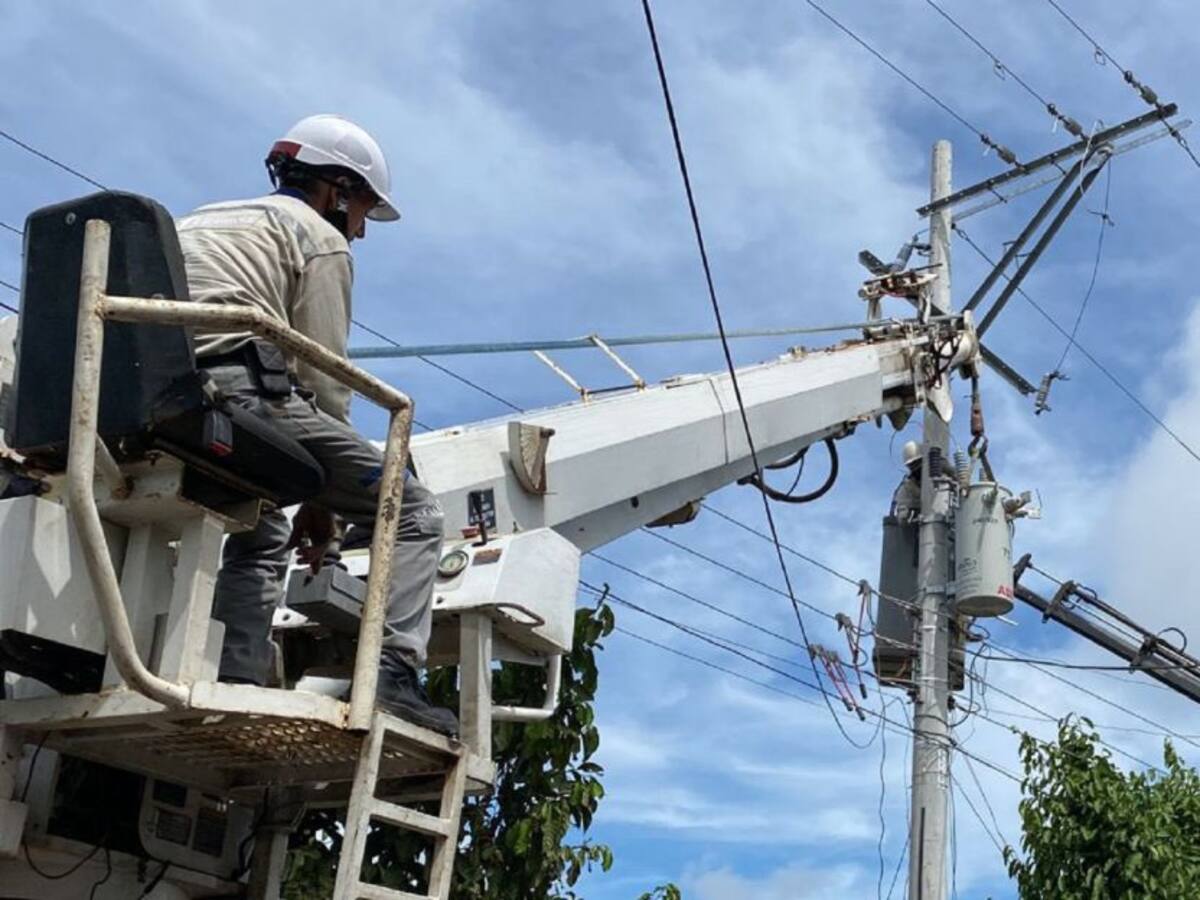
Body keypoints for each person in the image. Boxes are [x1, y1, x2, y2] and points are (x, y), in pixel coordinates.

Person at [176, 114, 457, 734]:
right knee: (410, 511)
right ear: (335, 189)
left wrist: (302, 486)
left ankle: (238, 675)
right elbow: (324, 376)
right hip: (242, 392)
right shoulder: (318, 237)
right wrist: (325, 500)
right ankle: (392, 672)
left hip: (158, 396)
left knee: (259, 522)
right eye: (362, 210)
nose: (361, 231)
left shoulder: (197, 219)